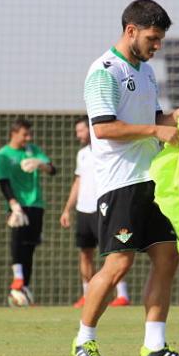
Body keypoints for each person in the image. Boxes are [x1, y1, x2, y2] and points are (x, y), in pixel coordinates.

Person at [71, 0, 179, 356]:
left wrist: (173, 117)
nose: (156, 46)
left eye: (159, 39)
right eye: (153, 38)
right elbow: (105, 127)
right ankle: (84, 341)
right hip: (119, 184)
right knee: (118, 266)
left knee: (167, 257)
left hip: (153, 182)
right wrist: (156, 128)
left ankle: (154, 347)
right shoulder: (103, 72)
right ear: (131, 31)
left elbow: (151, 116)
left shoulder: (145, 72)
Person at [60, 116, 130, 309]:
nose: (78, 135)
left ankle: (122, 295)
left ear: (91, 129)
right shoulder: (82, 154)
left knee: (114, 251)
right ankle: (87, 294)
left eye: (81, 130)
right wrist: (67, 209)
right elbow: (78, 182)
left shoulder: (108, 148)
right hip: (84, 210)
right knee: (85, 253)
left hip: (104, 207)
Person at [0, 119, 56, 302]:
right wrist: (13, 204)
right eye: (24, 135)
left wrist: (40, 164)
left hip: (36, 203)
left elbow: (53, 170)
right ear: (14, 133)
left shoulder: (33, 150)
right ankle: (18, 276)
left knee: (30, 246)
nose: (28, 138)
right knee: (17, 239)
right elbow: (3, 182)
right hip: (17, 205)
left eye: (29, 135)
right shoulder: (2, 155)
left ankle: (25, 286)